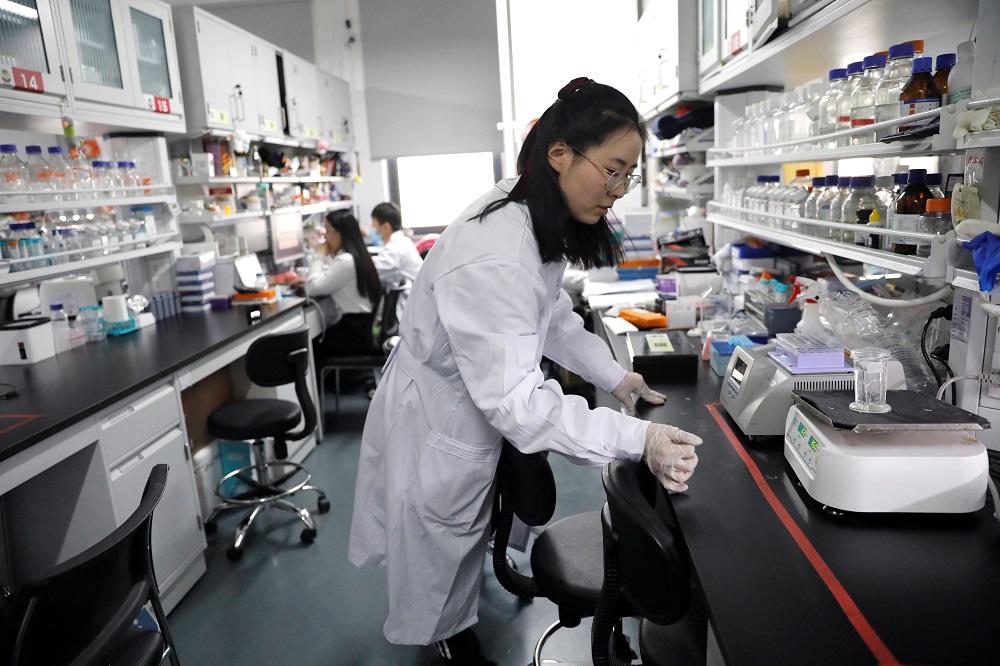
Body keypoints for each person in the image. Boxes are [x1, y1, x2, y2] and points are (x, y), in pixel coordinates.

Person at [348, 77, 703, 664]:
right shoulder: (496, 253)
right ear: (560, 153)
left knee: (461, 534)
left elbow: (551, 315)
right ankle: (447, 645)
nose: (618, 191)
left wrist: (614, 376)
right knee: (439, 551)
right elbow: (518, 401)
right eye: (611, 171)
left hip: (468, 400)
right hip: (441, 417)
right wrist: (639, 438)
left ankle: (456, 624)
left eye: (628, 175)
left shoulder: (532, 208)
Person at [300, 210, 382, 357]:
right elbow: (332, 274)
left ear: (340, 233)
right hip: (363, 328)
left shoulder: (345, 261)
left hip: (356, 334)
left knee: (310, 347)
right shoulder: (358, 255)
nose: (325, 238)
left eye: (328, 232)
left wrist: (318, 256)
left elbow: (312, 288)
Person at [370, 202, 423, 320]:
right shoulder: (401, 241)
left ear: (385, 227)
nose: (372, 228)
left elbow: (373, 270)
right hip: (415, 301)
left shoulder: (396, 248)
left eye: (374, 223)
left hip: (412, 305)